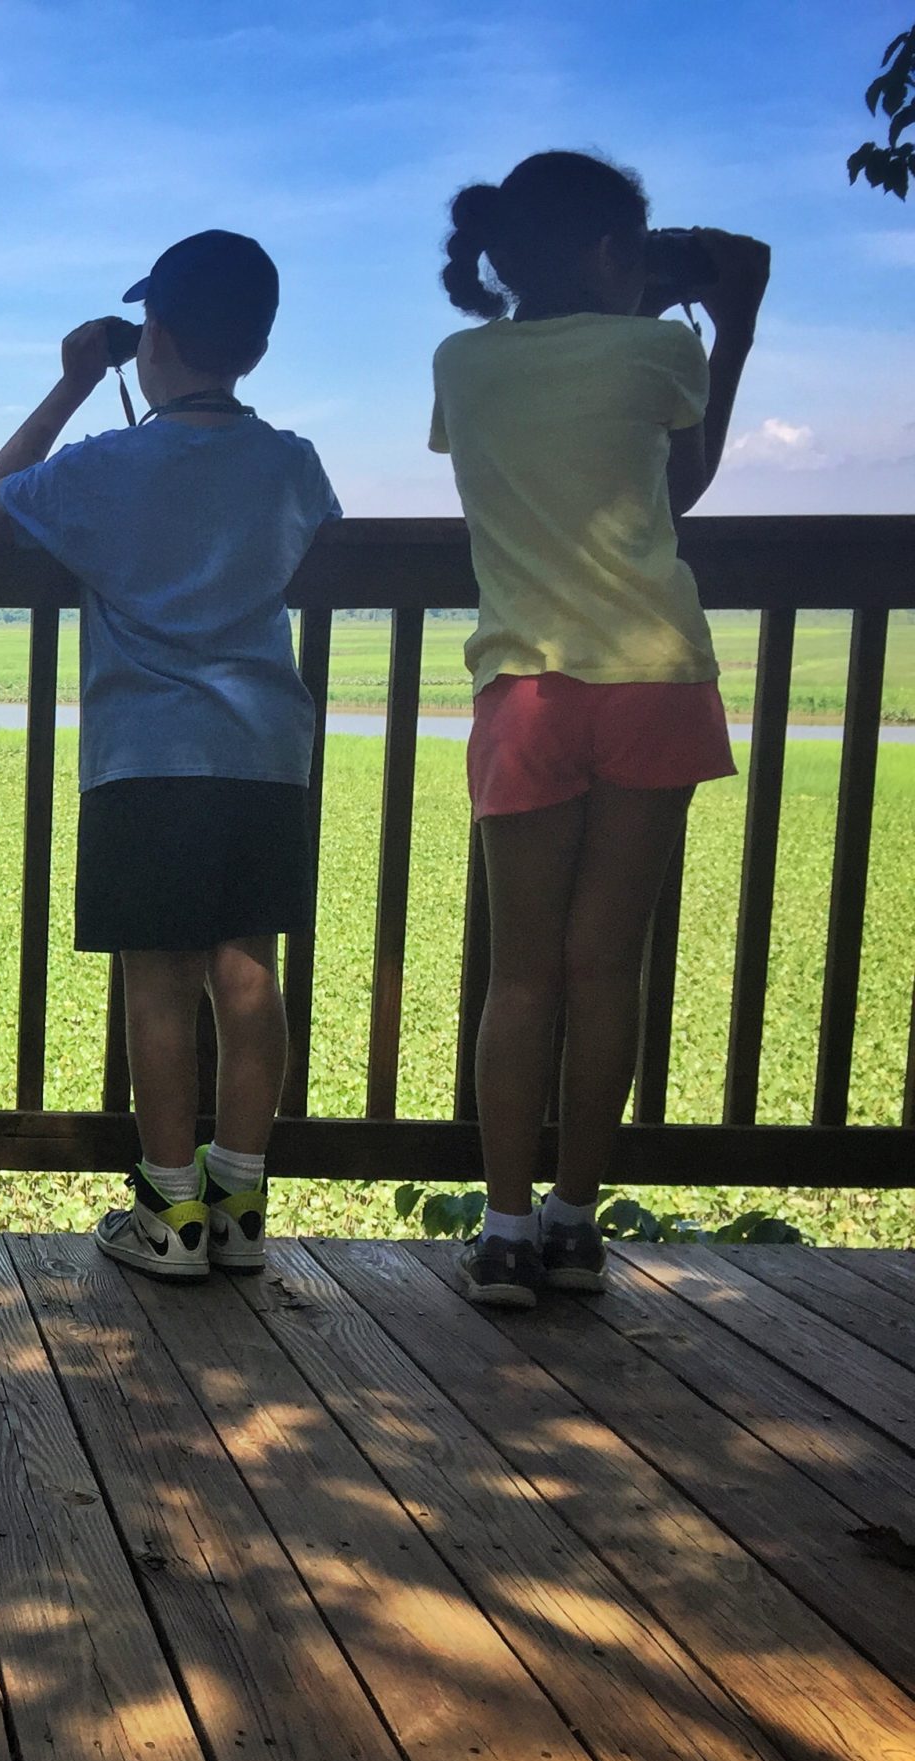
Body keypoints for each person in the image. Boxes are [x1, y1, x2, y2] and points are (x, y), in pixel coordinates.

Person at [430, 151, 766, 1308]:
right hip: (655, 675)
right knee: (603, 962)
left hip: (523, 681)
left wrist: (644, 282)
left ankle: (506, 1232)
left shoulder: (462, 361)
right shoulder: (664, 350)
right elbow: (684, 485)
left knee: (518, 973)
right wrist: (737, 319)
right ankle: (578, 1225)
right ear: (612, 252)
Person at [0, 231, 340, 1282]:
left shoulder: (109, 464)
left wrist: (68, 384)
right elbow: (318, 529)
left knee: (157, 984)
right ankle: (238, 1202)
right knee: (246, 971)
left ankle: (168, 1211)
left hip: (145, 756)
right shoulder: (291, 460)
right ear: (256, 350)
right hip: (263, 751)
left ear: (155, 340)